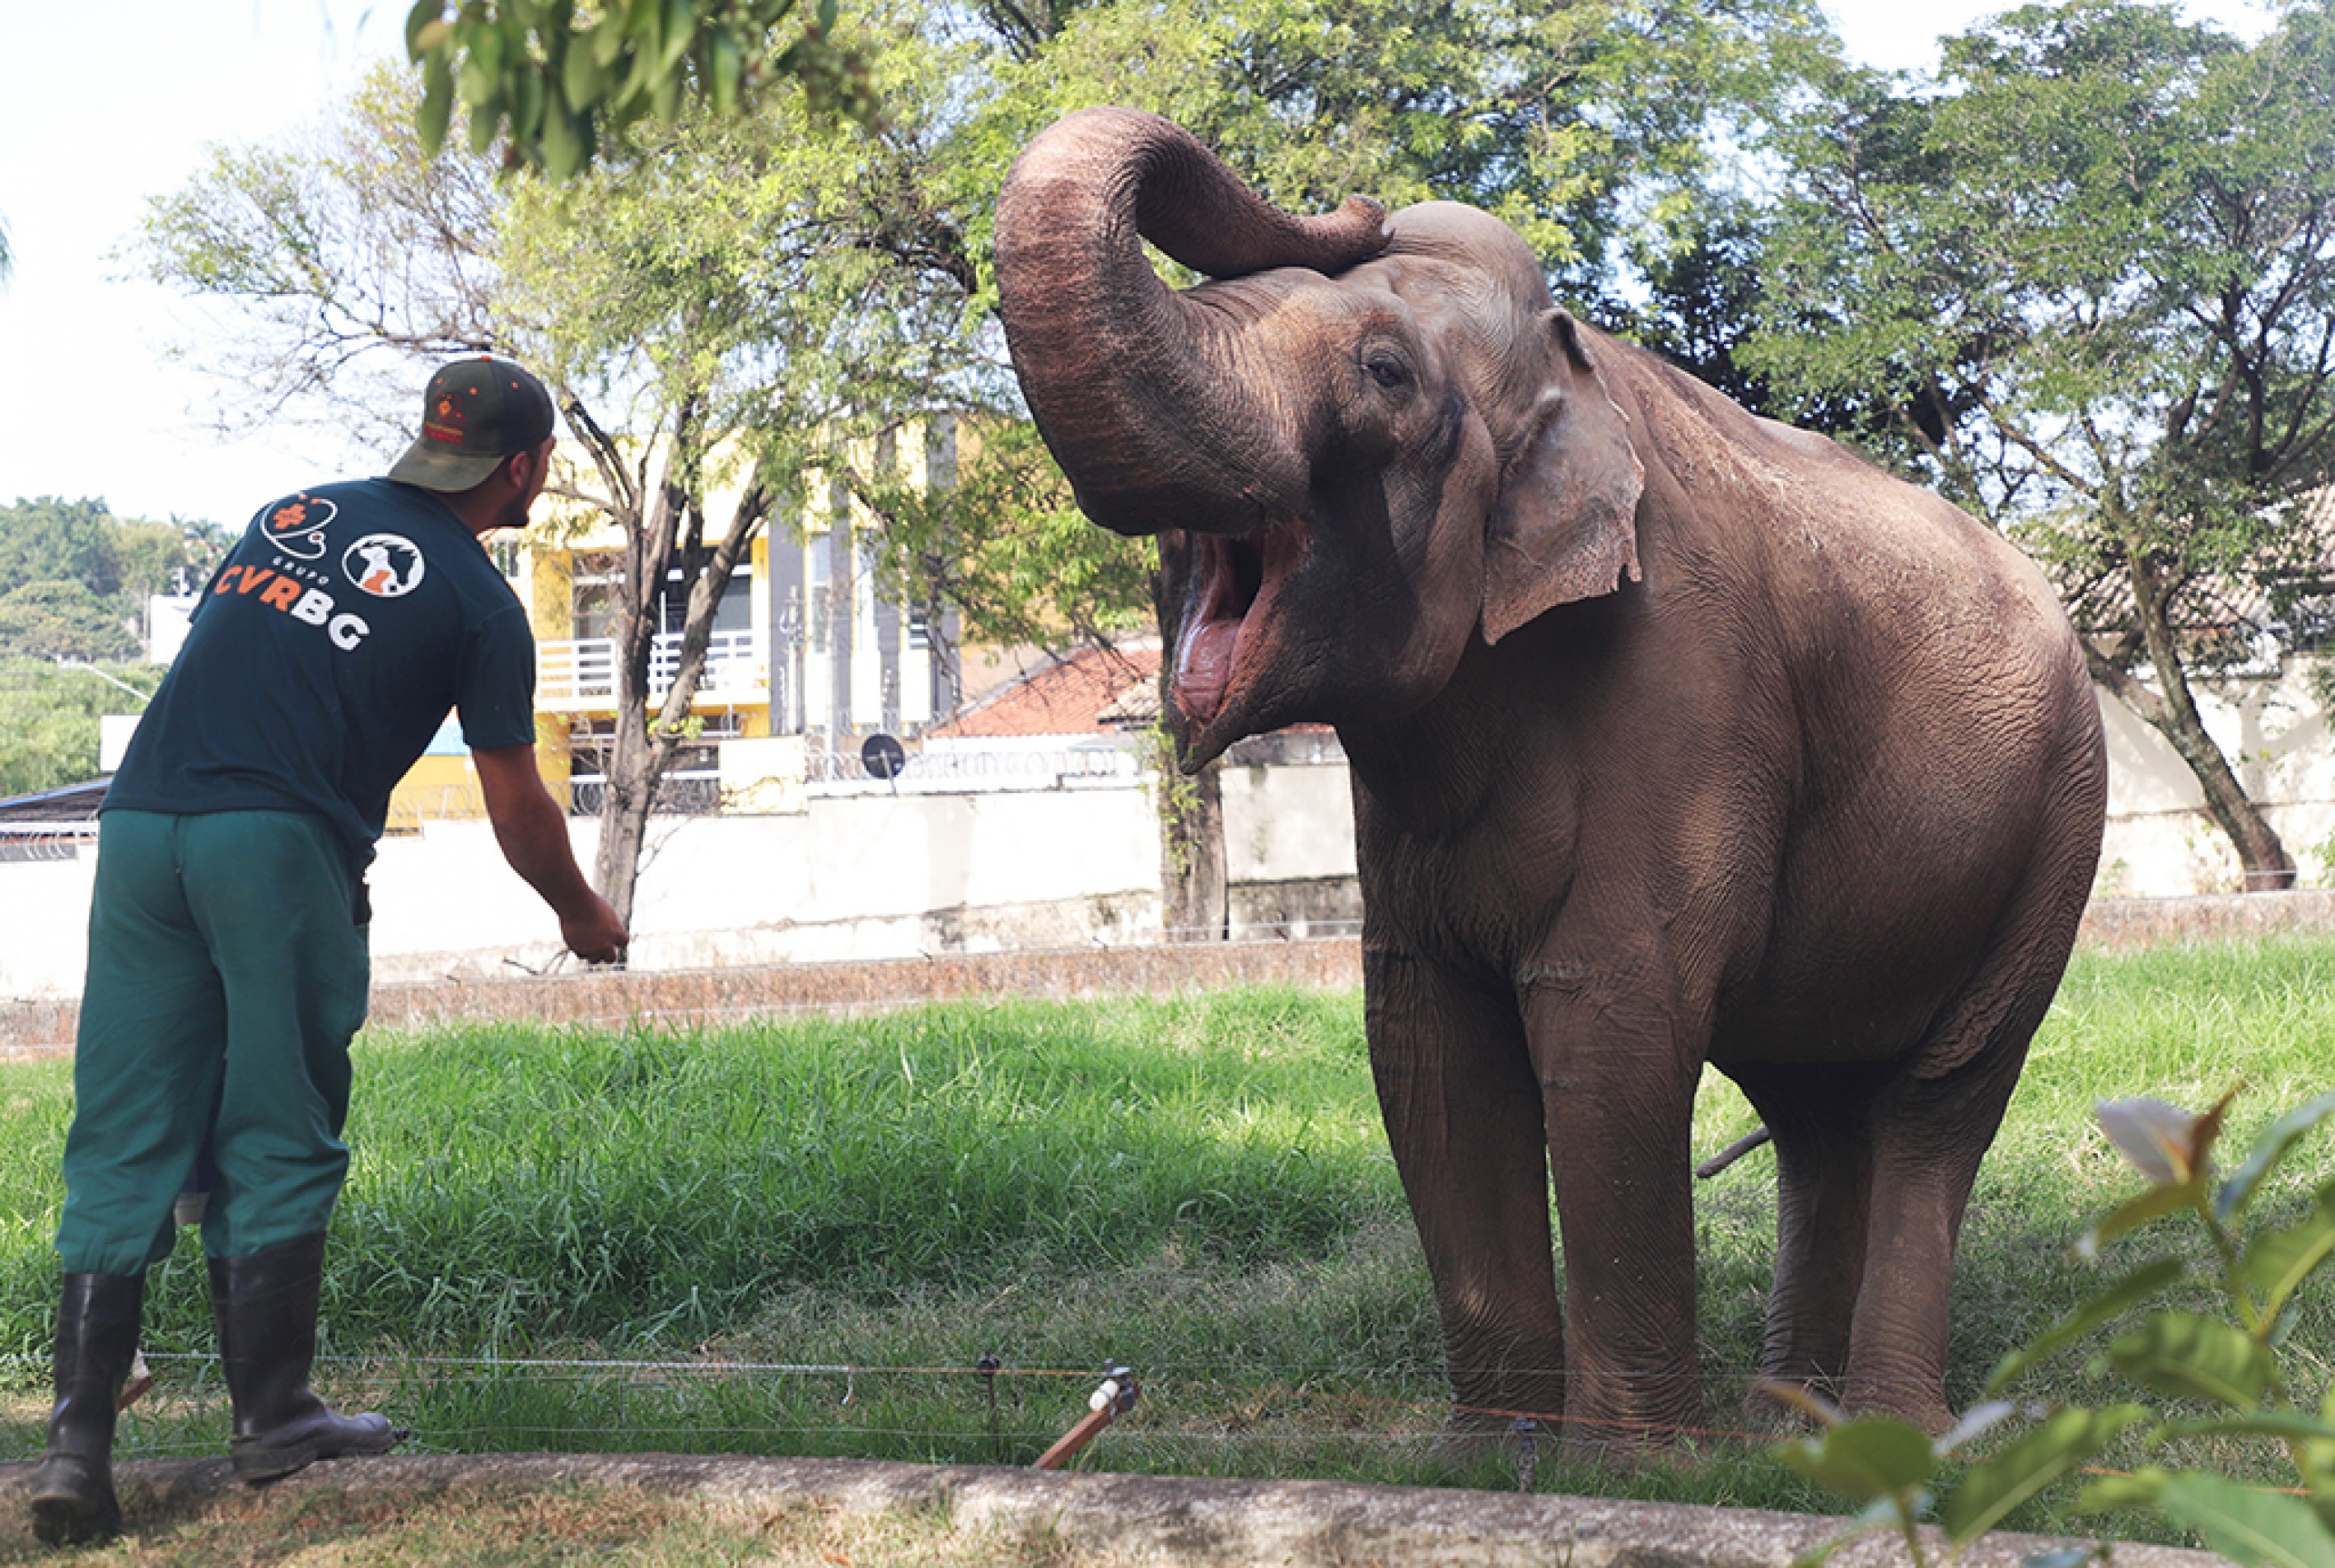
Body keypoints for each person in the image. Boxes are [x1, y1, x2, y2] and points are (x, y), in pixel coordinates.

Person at [30, 357, 629, 1547]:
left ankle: (75, 1449)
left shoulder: (290, 513)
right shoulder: (479, 602)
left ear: (427, 440)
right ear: (525, 470)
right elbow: (516, 807)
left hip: (142, 827)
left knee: (126, 1121)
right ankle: (276, 1418)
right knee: (279, 1115)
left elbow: (247, 663)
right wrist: (581, 912)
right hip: (277, 842)